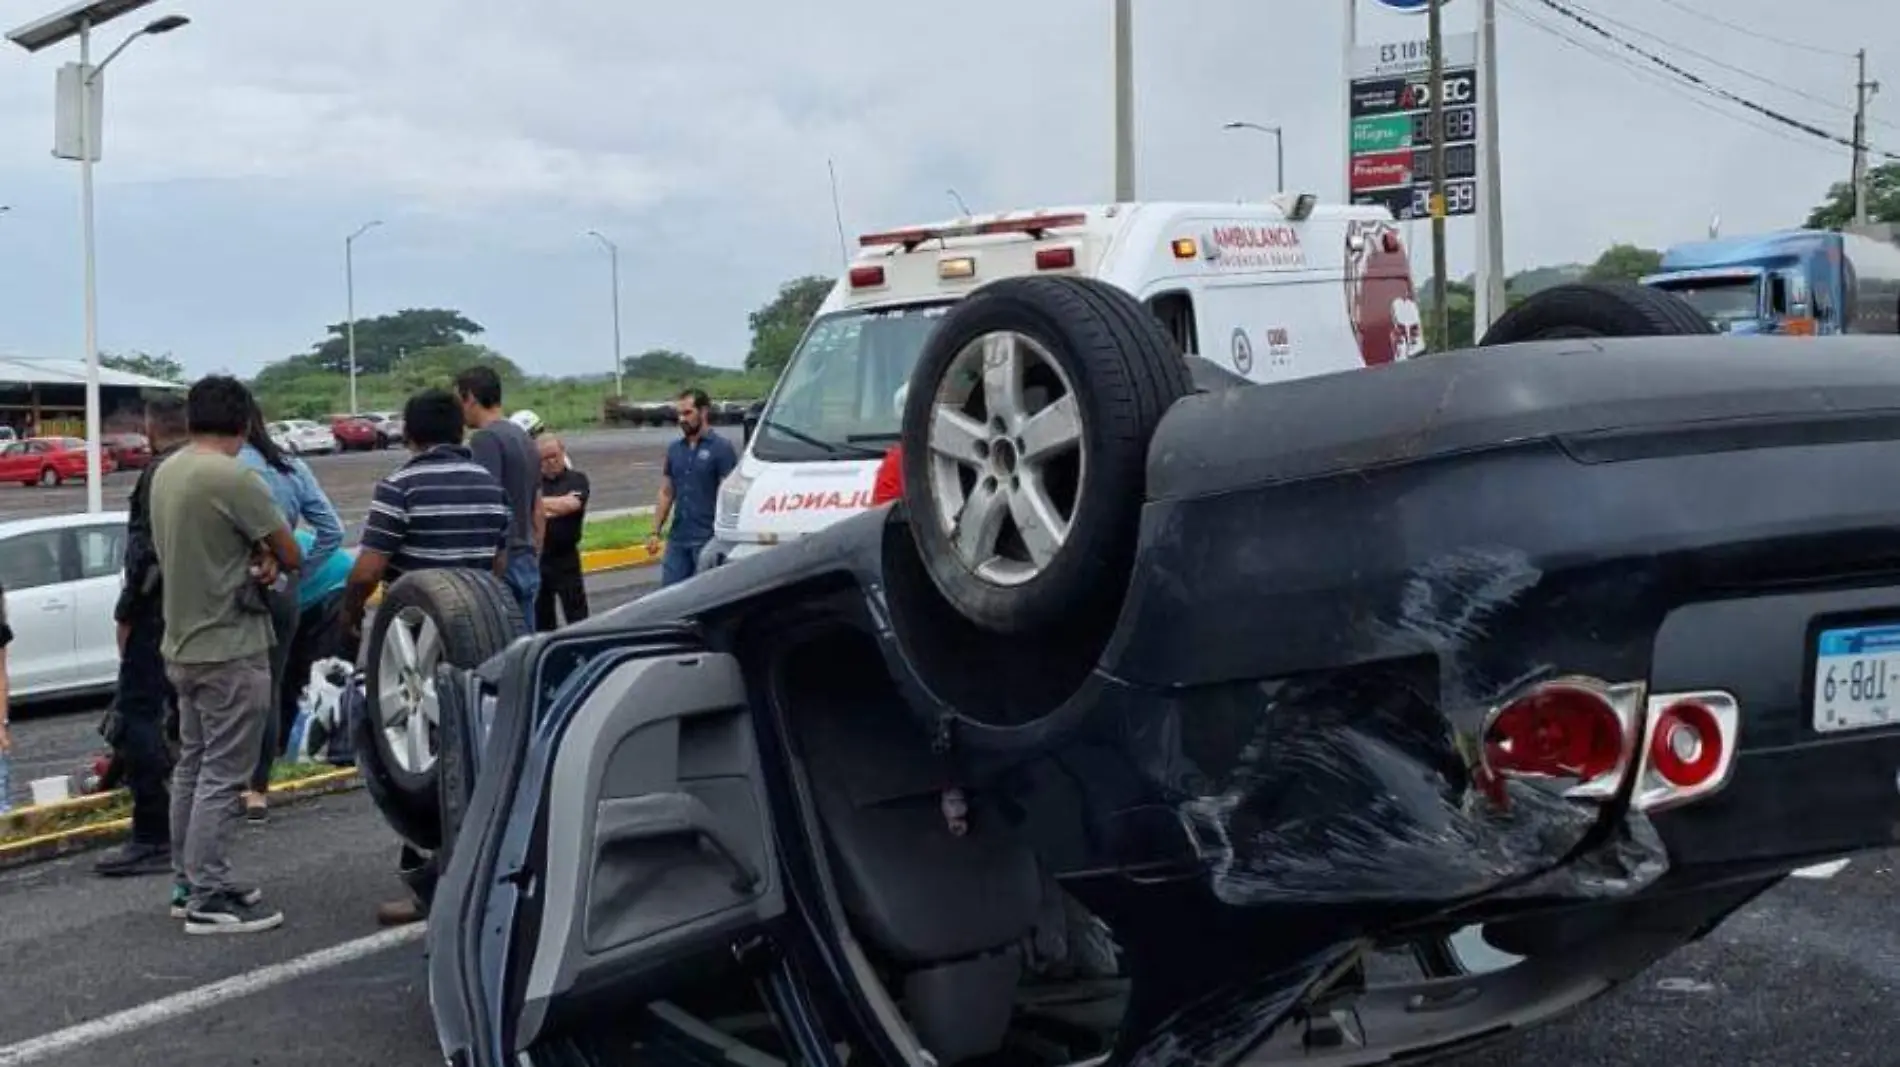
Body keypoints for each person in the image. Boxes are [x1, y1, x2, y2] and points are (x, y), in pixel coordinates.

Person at [341, 388, 510, 928]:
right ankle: (488, 878)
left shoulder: (401, 485)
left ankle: (431, 890)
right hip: (486, 644)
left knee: (409, 767)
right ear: (460, 432)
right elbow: (497, 563)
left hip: (417, 652)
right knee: (481, 762)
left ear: (409, 435)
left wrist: (349, 612)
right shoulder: (489, 486)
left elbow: (369, 569)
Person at [151, 375, 301, 935]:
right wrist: (266, 556)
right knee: (224, 772)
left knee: (192, 763)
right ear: (243, 424)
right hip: (230, 646)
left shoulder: (167, 472)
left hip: (183, 642)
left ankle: (187, 880)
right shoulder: (233, 475)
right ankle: (210, 897)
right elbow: (289, 550)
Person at [93, 394, 192, 878]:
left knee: (139, 718)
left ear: (152, 425)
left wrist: (127, 613)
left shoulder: (157, 476)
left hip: (156, 613)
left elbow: (142, 557)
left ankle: (152, 831)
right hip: (197, 612)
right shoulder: (200, 470)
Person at [237, 404, 344, 822]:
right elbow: (332, 531)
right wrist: (295, 571)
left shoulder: (223, 469)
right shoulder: (291, 466)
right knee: (270, 686)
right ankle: (257, 789)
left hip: (229, 590)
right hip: (280, 591)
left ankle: (219, 783)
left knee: (224, 688)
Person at [453, 366, 544, 627]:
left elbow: (487, 505)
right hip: (526, 555)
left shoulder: (486, 439)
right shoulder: (524, 438)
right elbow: (537, 507)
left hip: (502, 560)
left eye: (460, 400)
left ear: (470, 397)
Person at [273, 527, 352, 764]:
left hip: (332, 586)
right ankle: (288, 746)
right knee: (288, 673)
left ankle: (330, 750)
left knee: (321, 677)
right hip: (304, 592)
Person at [650, 389, 738, 587]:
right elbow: (666, 492)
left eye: (688, 413)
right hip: (679, 538)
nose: (682, 419)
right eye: (679, 414)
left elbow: (728, 493)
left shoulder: (721, 448)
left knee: (705, 595)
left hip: (707, 538)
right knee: (670, 596)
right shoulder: (675, 449)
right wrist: (655, 531)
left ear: (704, 412)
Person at [535, 434, 590, 630]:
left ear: (563, 454)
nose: (551, 462)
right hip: (539, 558)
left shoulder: (577, 479)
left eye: (554, 456)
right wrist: (553, 505)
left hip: (566, 558)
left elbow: (571, 504)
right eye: (545, 458)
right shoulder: (533, 483)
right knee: (542, 619)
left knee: (577, 617)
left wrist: (537, 506)